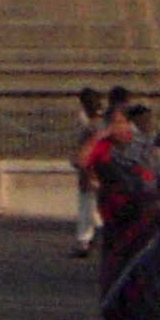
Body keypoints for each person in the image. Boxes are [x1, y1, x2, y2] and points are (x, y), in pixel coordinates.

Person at [81, 92, 160, 320]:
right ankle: (118, 318)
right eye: (114, 123)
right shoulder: (103, 147)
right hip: (118, 217)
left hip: (148, 216)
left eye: (123, 123)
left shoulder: (144, 146)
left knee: (148, 269)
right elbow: (80, 161)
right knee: (118, 268)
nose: (119, 128)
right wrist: (99, 136)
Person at [70, 86, 109, 258]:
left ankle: (86, 240)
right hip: (95, 169)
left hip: (93, 169)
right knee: (90, 207)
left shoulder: (92, 126)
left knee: (89, 207)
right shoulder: (99, 124)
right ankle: (87, 240)